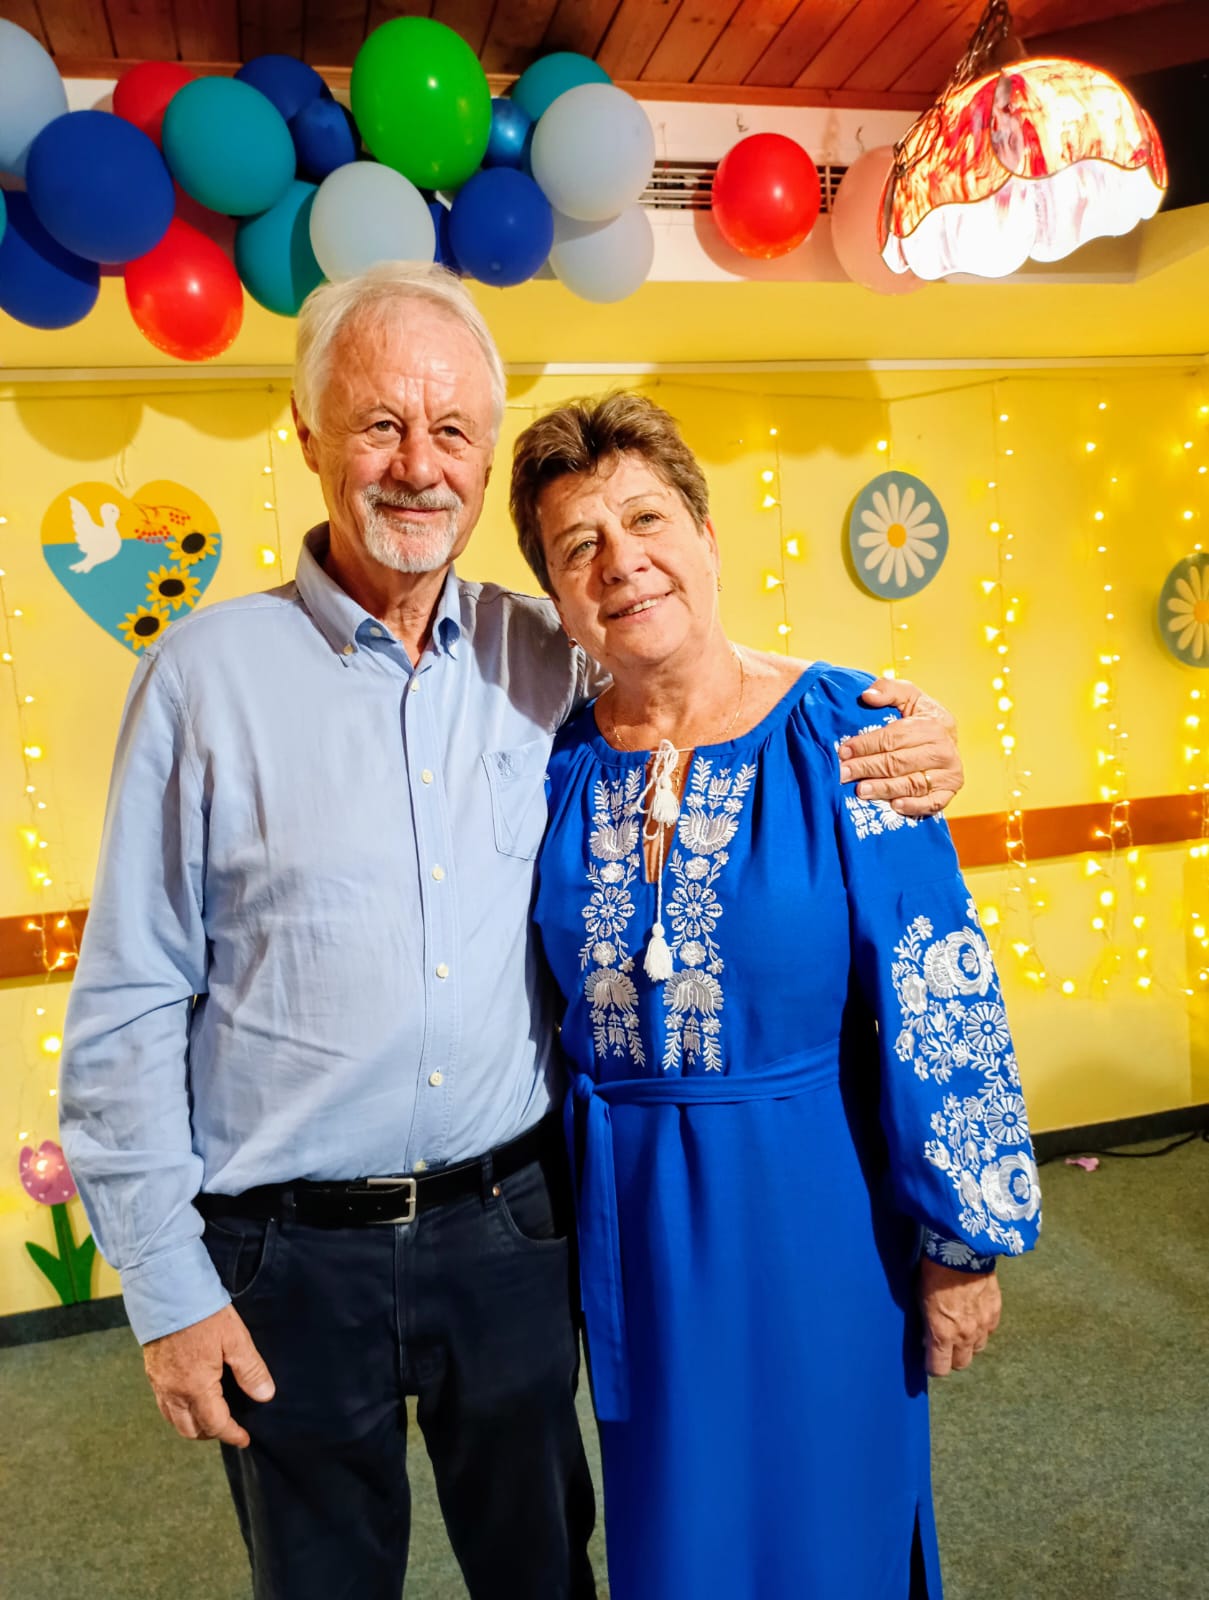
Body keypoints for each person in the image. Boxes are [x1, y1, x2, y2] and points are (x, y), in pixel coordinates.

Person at [58, 265, 965, 1600]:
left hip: (512, 1235)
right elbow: (132, 997)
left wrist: (902, 723)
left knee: (547, 1572)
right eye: (379, 424)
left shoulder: (549, 657)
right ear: (306, 435)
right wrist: (164, 1288)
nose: (417, 465)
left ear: (483, 459)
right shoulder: (203, 681)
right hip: (286, 1255)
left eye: (452, 430)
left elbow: (694, 659)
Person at [509, 391, 1041, 1600]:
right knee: (677, 1540)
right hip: (632, 1227)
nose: (621, 560)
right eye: (579, 544)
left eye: (647, 519)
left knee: (830, 1523)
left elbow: (940, 994)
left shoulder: (851, 732)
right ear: (558, 596)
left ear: (706, 536)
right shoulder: (549, 762)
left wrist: (961, 1242)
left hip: (819, 1213)